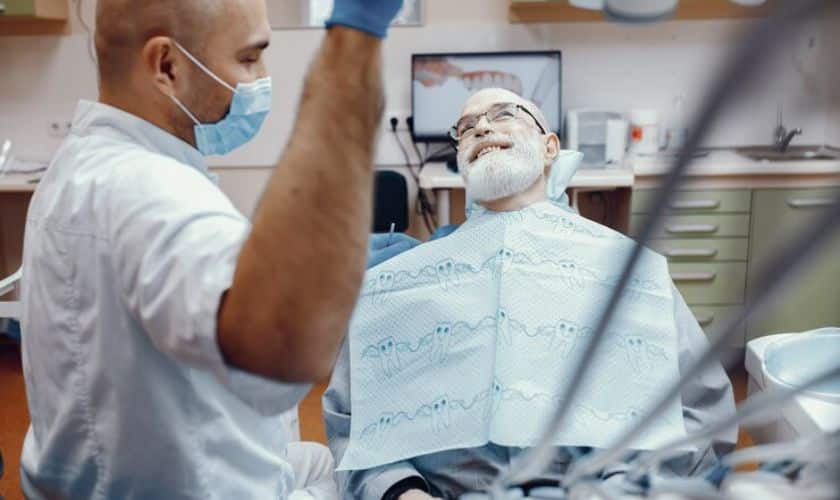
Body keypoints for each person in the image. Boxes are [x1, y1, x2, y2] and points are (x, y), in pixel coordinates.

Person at [18, 0, 416, 498]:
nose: (261, 79)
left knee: (322, 462)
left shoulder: (80, 163)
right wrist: (357, 37)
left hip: (96, 468)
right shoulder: (150, 193)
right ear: (167, 66)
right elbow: (287, 349)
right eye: (248, 59)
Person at [323, 88, 737, 500]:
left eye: (504, 114)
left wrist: (620, 490)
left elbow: (698, 411)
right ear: (461, 161)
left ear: (549, 147)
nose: (482, 127)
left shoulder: (631, 271)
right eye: (466, 127)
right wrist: (402, 493)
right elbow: (354, 420)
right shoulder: (401, 285)